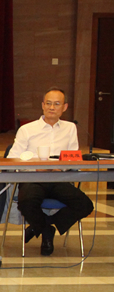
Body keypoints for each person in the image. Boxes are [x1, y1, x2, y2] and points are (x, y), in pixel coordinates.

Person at [7, 87, 93, 256]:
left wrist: (61, 167)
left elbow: (73, 157)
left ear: (65, 107)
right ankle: (46, 231)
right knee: (27, 202)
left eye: (56, 104)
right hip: (33, 177)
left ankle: (42, 226)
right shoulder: (27, 129)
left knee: (85, 204)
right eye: (48, 103)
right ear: (42, 105)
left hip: (58, 178)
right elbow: (12, 158)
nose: (52, 107)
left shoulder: (70, 128)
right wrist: (34, 167)